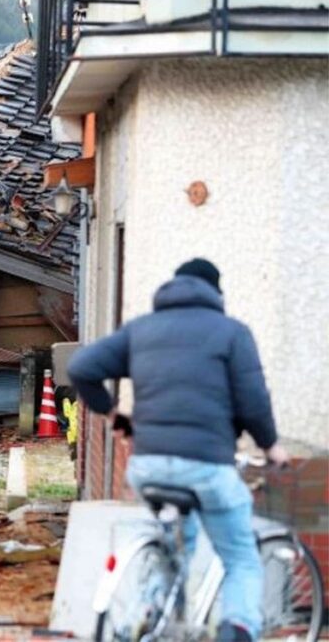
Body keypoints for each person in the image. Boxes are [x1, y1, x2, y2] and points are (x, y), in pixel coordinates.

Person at [68, 258, 288, 642]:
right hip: (206, 466)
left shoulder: (141, 330)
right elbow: (253, 403)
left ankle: (152, 616)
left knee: (175, 545)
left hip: (147, 466)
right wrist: (271, 447)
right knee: (239, 556)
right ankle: (236, 631)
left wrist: (113, 414)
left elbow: (82, 367)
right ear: (216, 292)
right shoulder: (232, 333)